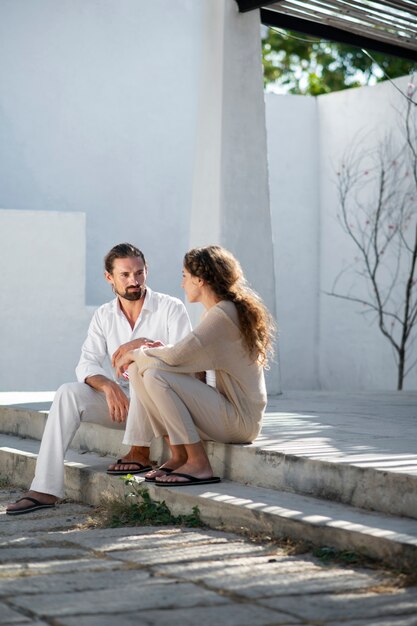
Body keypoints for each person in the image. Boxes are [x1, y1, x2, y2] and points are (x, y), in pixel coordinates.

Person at [6, 243, 191, 514]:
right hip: (126, 407)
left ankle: (140, 453)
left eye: (139, 273)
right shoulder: (104, 315)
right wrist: (107, 385)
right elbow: (87, 362)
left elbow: (181, 360)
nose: (134, 281)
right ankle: (44, 489)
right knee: (68, 393)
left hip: (162, 407)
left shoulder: (171, 308)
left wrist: (139, 347)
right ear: (109, 277)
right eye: (125, 275)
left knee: (143, 368)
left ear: (146, 271)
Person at [114, 245, 276, 486]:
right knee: (141, 370)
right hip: (226, 412)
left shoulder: (223, 315)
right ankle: (179, 455)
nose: (182, 284)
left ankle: (199, 462)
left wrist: (137, 352)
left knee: (155, 373)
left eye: (184, 276)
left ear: (200, 280)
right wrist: (147, 355)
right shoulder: (217, 313)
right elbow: (187, 363)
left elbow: (178, 356)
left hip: (241, 421)